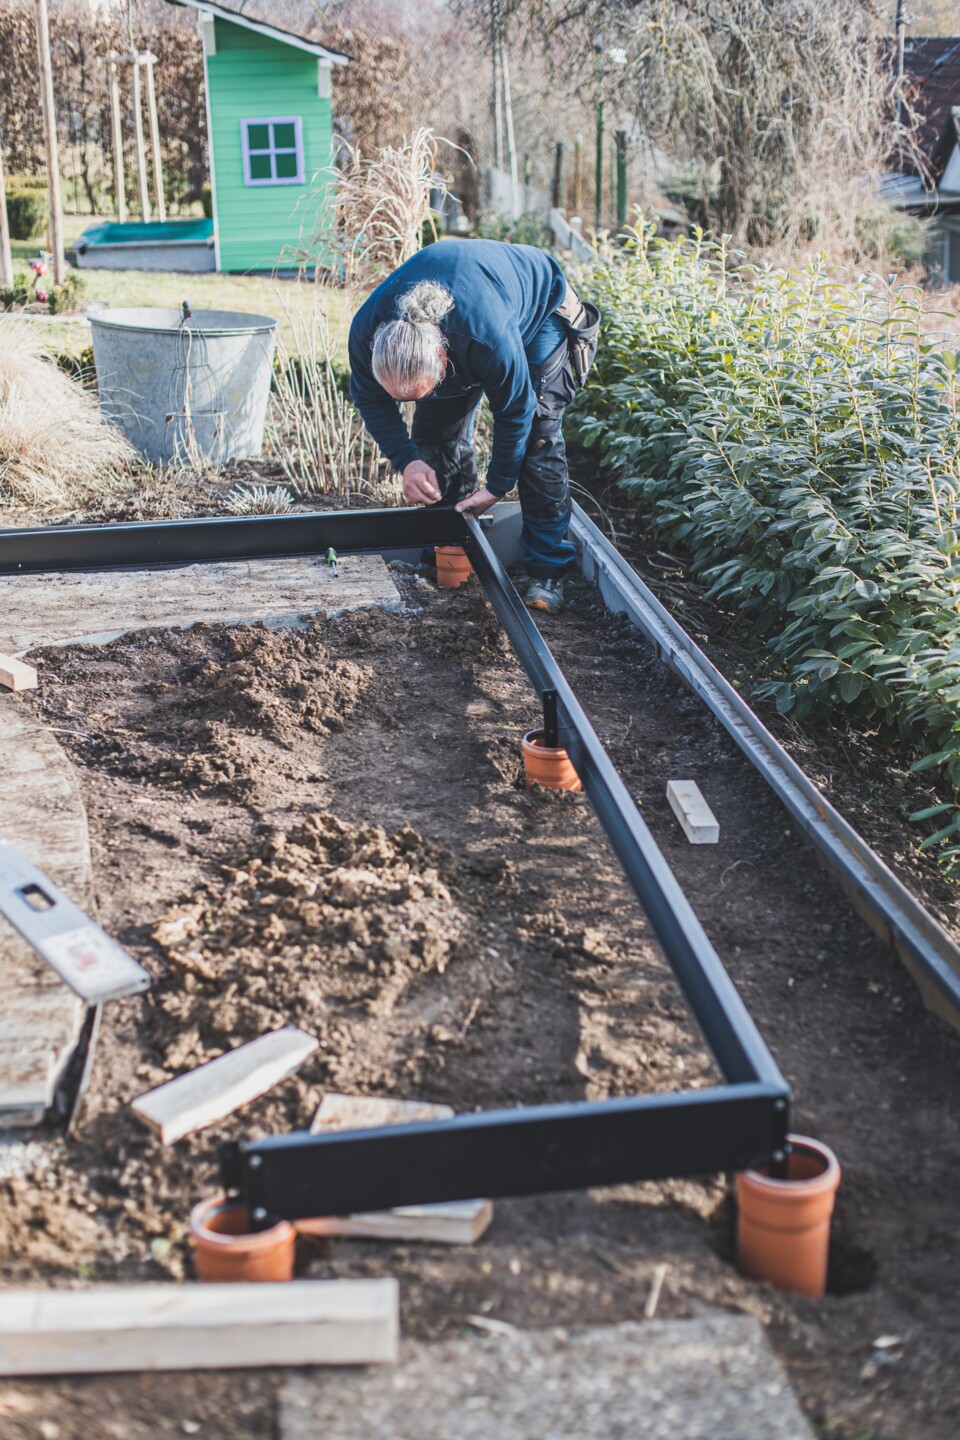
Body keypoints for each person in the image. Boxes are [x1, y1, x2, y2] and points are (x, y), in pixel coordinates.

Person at [348, 239, 599, 615]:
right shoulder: (365, 333)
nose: (410, 402)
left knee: (538, 439)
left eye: (418, 392)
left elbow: (516, 411)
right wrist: (408, 461)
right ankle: (453, 552)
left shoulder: (487, 337)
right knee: (435, 438)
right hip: (470, 309)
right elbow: (370, 400)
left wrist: (497, 486)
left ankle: (547, 572)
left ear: (440, 357)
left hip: (541, 310)